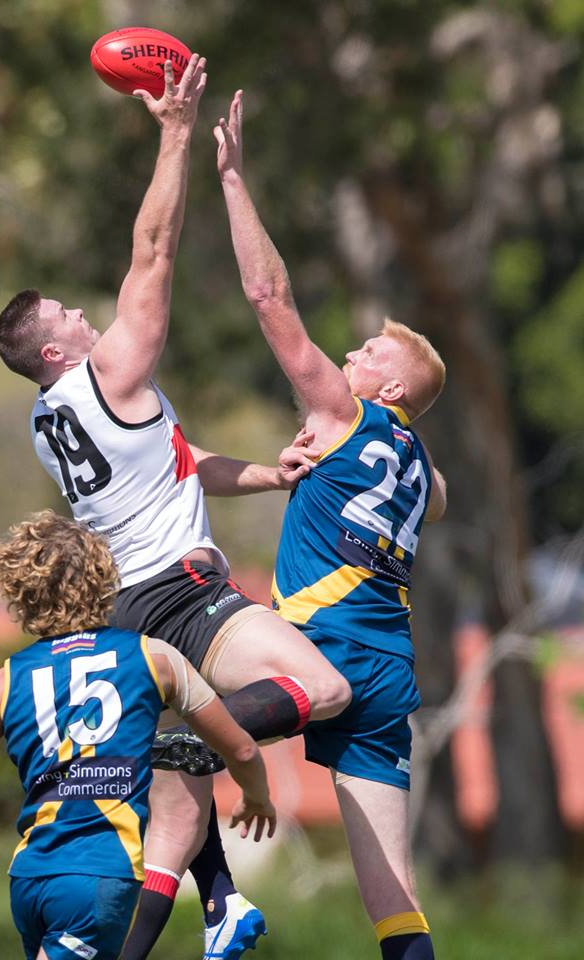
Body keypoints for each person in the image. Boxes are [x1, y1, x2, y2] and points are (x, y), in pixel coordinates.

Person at [0, 55, 351, 960]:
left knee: (178, 812)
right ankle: (207, 742)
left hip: (126, 606)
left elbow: (181, 469)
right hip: (183, 595)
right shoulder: (107, 373)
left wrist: (270, 478)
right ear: (54, 349)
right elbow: (153, 251)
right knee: (323, 689)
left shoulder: (51, 421)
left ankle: (217, 904)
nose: (87, 314)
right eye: (71, 314)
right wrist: (178, 132)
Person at [214, 89, 447, 960]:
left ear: (386, 392)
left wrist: (235, 179)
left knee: (188, 712)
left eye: (369, 356)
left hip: (328, 648)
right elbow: (438, 490)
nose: (351, 355)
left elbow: (267, 294)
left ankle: (185, 812)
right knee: (393, 896)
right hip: (392, 665)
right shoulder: (422, 465)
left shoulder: (350, 413)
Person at [0, 511, 276, 960]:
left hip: (31, 878)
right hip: (97, 880)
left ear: (21, 595)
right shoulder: (154, 658)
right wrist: (257, 796)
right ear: (104, 578)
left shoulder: (8, 678)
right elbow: (241, 747)